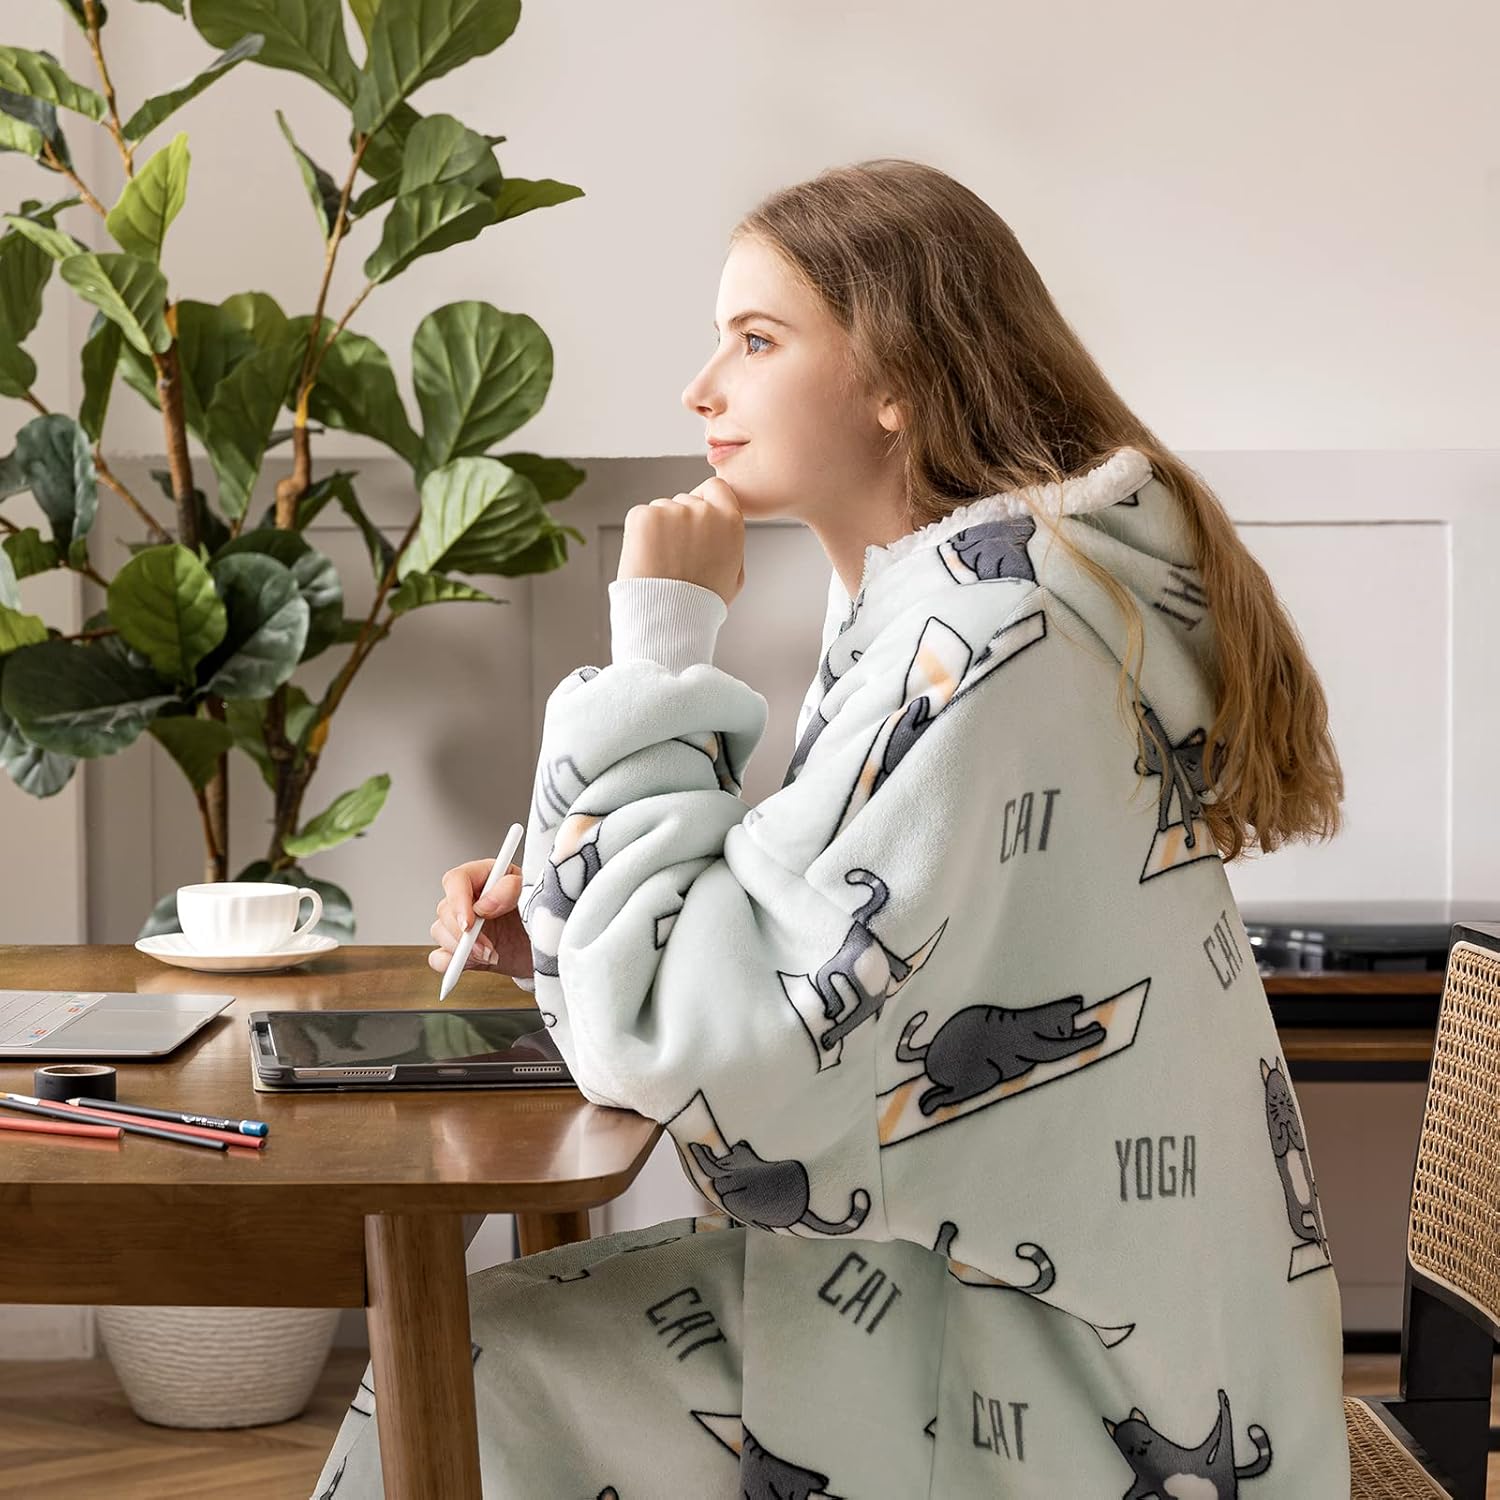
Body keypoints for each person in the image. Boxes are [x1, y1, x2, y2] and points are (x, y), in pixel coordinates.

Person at [312, 157, 1351, 1497]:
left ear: (895, 378)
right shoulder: (973, 607)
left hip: (1043, 1373)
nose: (702, 388)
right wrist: (573, 930)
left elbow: (708, 1054)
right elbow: (801, 941)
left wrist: (661, 641)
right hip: (1016, 1302)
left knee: (462, 1368)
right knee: (475, 1349)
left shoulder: (987, 639)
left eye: (756, 340)